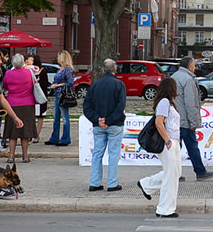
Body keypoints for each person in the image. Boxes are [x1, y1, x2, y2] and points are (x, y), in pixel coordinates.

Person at [137, 77, 182, 217]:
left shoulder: (169, 103)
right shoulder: (164, 102)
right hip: (168, 142)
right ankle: (165, 209)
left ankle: (147, 184)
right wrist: (168, 140)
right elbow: (159, 122)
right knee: (171, 176)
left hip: (172, 141)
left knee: (175, 173)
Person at [84, 58, 127, 192]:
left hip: (98, 125)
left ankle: (95, 182)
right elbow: (120, 107)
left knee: (97, 153)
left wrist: (98, 120)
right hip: (115, 124)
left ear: (103, 70)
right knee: (113, 154)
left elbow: (87, 107)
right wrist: (108, 120)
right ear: (115, 70)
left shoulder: (94, 85)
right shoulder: (119, 85)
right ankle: (112, 183)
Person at [172, 56, 213, 181]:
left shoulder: (174, 76)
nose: (195, 68)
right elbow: (190, 103)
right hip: (185, 120)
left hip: (175, 119)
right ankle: (200, 171)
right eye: (195, 65)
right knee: (192, 147)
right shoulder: (188, 79)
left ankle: (174, 174)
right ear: (190, 66)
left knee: (175, 149)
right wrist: (193, 122)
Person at [1, 54, 37, 163]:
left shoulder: (8, 73)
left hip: (12, 104)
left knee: (12, 132)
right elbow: (33, 84)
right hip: (27, 103)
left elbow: (5, 86)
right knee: (25, 132)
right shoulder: (29, 73)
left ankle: (11, 155)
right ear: (23, 62)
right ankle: (25, 155)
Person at [45, 50, 75, 147]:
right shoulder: (60, 69)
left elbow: (71, 83)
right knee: (56, 117)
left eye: (58, 57)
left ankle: (65, 138)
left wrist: (58, 85)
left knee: (65, 117)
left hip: (63, 94)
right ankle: (54, 137)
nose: (57, 59)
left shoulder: (68, 69)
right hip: (57, 95)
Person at [31, 54, 49, 143]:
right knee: (32, 116)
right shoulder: (30, 71)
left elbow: (45, 84)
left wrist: (38, 81)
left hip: (41, 97)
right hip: (32, 96)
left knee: (40, 116)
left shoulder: (43, 71)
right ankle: (32, 133)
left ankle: (37, 135)